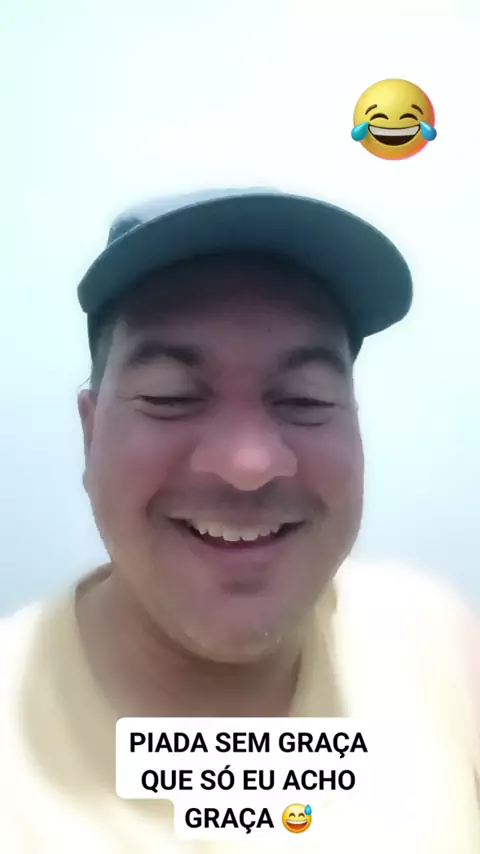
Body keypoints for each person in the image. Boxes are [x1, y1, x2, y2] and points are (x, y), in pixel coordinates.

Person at [0, 187, 478, 852]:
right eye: (170, 396)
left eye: (306, 399)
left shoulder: (437, 639)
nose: (248, 464)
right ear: (90, 435)